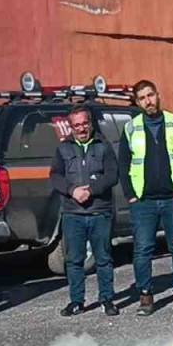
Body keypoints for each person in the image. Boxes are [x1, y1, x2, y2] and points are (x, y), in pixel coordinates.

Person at [118, 79, 173, 317]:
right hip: (144, 202)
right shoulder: (131, 127)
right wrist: (131, 195)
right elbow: (123, 163)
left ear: (158, 95)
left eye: (150, 95)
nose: (148, 101)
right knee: (142, 250)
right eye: (142, 98)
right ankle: (145, 297)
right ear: (138, 102)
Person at [49, 106, 120, 317]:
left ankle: (107, 300)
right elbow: (55, 176)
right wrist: (72, 191)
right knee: (74, 260)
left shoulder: (104, 146)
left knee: (104, 259)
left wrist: (91, 190)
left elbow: (112, 175)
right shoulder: (63, 149)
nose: (81, 128)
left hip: (99, 212)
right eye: (76, 125)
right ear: (70, 127)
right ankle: (77, 301)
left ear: (90, 123)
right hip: (73, 214)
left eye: (84, 123)